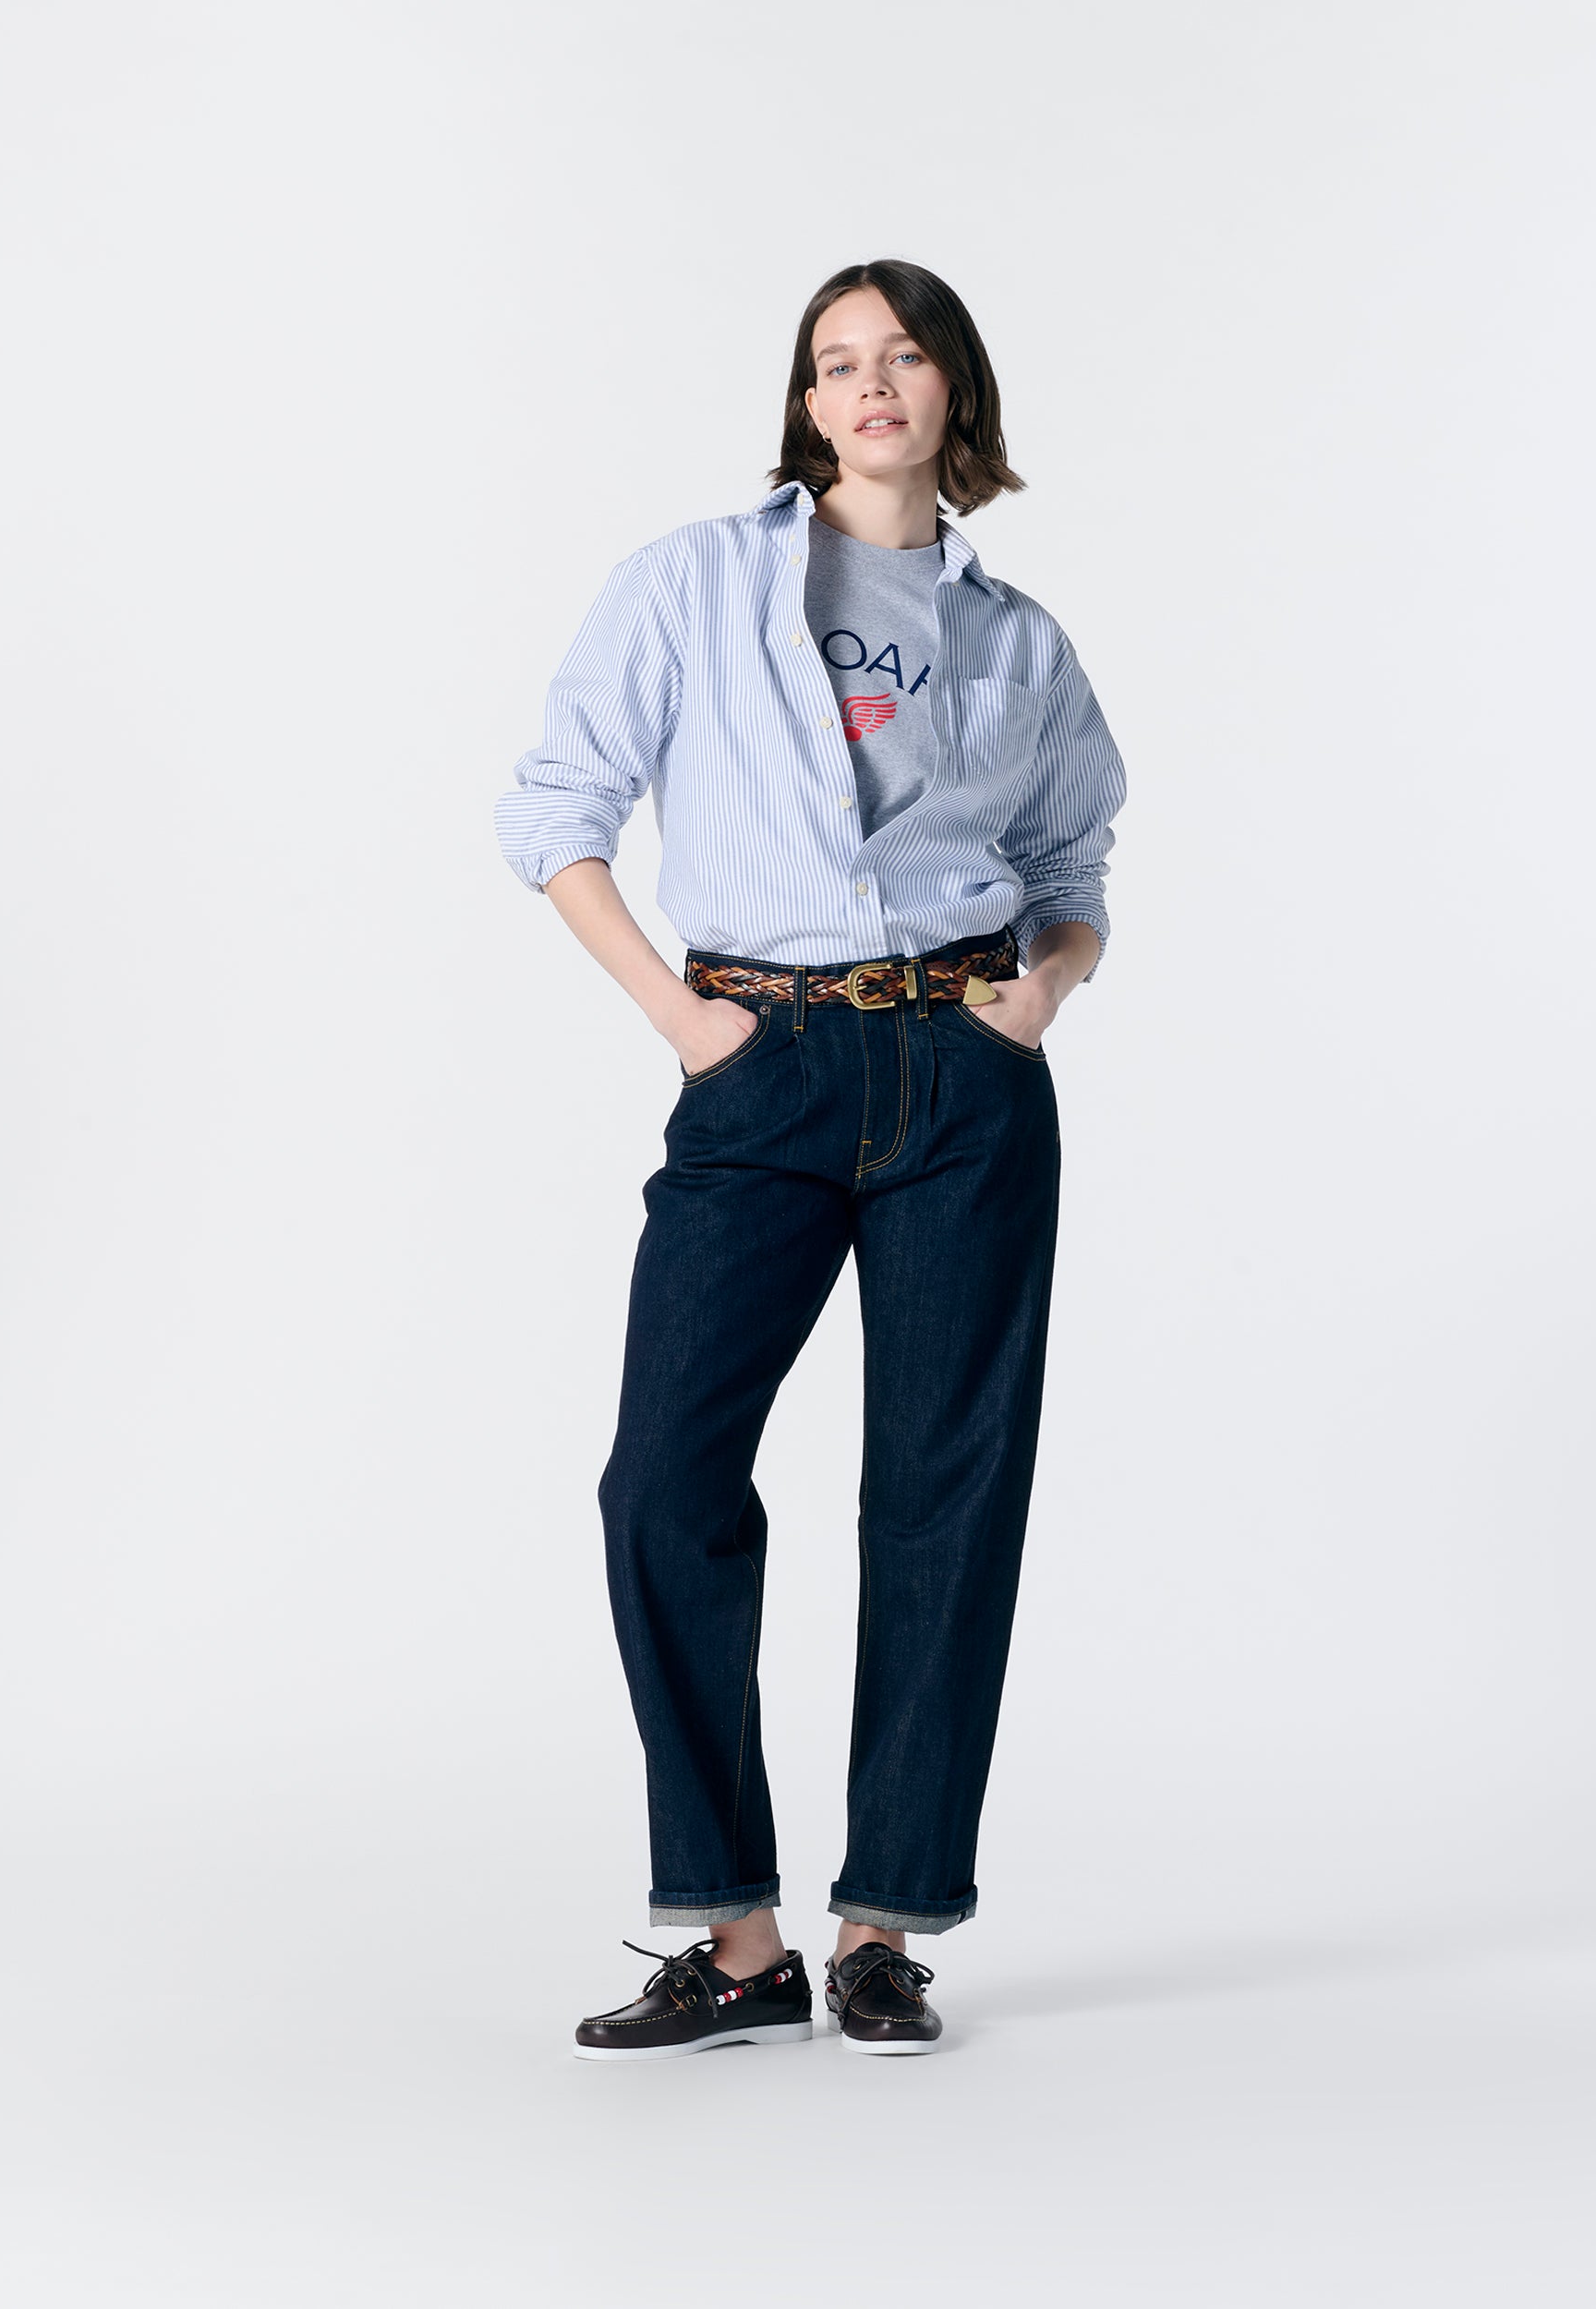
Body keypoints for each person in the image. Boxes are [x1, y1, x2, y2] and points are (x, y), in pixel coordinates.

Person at [495, 258, 1127, 2059]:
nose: (869, 385)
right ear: (804, 402)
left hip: (962, 1076)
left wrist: (1041, 995)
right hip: (758, 1065)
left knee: (945, 1493)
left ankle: (883, 1929)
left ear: (953, 391)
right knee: (663, 1480)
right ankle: (737, 1934)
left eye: (902, 355)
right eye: (835, 361)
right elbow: (554, 809)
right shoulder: (693, 581)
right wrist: (683, 1023)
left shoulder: (1019, 639)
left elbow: (1074, 866)